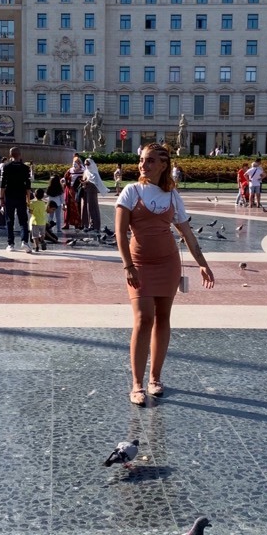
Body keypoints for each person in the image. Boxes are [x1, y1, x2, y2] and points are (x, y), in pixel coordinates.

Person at [116, 143, 214, 406]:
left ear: (163, 165)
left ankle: (155, 378)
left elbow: (188, 235)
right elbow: (120, 234)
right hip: (139, 263)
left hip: (168, 264)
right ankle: (137, 383)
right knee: (143, 318)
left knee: (163, 318)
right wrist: (128, 266)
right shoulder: (130, 191)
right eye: (141, 160)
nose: (143, 165)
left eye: (149, 161)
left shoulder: (172, 196)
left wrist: (202, 263)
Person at [0, 147, 33, 253]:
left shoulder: (6, 166)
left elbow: (2, 184)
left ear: (10, 155)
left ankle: (11, 244)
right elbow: (28, 186)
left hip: (9, 196)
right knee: (23, 221)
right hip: (21, 196)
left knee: (10, 220)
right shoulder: (25, 168)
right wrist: (28, 200)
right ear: (20, 155)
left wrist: (1, 198)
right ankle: (24, 242)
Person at [81, 157, 106, 232]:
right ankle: (89, 224)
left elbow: (95, 183)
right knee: (87, 208)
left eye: (88, 164)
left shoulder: (94, 173)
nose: (86, 165)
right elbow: (85, 179)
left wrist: (87, 182)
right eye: (85, 164)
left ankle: (95, 225)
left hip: (92, 192)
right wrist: (84, 183)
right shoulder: (86, 171)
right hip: (86, 191)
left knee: (93, 208)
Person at [62, 155, 84, 230]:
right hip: (69, 191)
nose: (74, 164)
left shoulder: (83, 171)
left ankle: (77, 223)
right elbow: (65, 178)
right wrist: (64, 182)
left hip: (77, 191)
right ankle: (66, 223)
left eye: (76, 162)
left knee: (77, 207)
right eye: (74, 162)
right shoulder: (70, 171)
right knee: (67, 207)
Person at [28, 188, 48, 252]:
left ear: (35, 195)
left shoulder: (32, 202)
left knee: (35, 235)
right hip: (43, 221)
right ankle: (42, 240)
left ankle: (36, 246)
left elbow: (31, 212)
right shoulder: (44, 203)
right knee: (42, 233)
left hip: (35, 221)